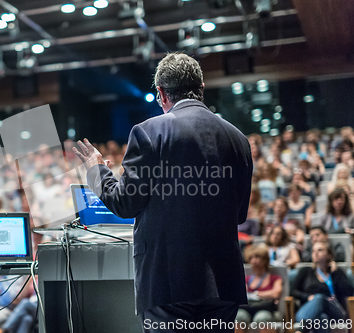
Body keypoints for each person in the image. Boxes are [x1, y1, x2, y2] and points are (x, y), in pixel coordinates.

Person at [73, 52, 253, 332]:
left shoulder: (150, 132)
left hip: (167, 283)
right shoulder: (238, 138)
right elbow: (240, 215)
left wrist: (97, 170)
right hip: (223, 285)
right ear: (201, 88)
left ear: (161, 93)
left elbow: (124, 204)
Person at [293, 242, 354, 333]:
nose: (316, 253)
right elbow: (293, 291)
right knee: (322, 317)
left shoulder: (336, 272)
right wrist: (308, 297)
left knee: (319, 297)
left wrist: (335, 272)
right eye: (313, 251)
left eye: (320, 250)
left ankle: (302, 330)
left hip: (334, 310)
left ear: (329, 255)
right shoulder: (305, 272)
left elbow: (349, 291)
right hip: (307, 309)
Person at [236, 245, 282, 333]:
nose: (253, 260)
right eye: (251, 258)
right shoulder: (247, 279)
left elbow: (276, 293)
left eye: (257, 257)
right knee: (238, 316)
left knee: (261, 318)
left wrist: (255, 294)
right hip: (248, 308)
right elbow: (242, 294)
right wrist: (266, 294)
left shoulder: (275, 278)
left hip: (265, 309)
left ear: (265, 260)